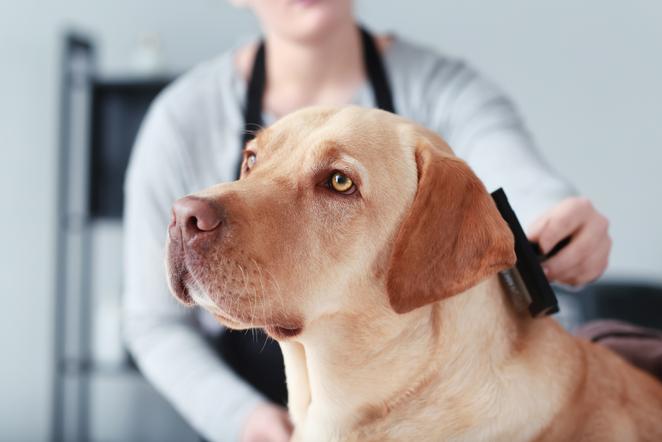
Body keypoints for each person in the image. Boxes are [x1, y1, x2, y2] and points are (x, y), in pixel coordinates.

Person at [122, 1, 612, 441]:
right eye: (254, 160)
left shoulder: (443, 89)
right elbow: (153, 324)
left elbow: (513, 185)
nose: (199, 210)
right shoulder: (180, 117)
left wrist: (557, 217)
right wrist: (246, 421)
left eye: (337, 182)